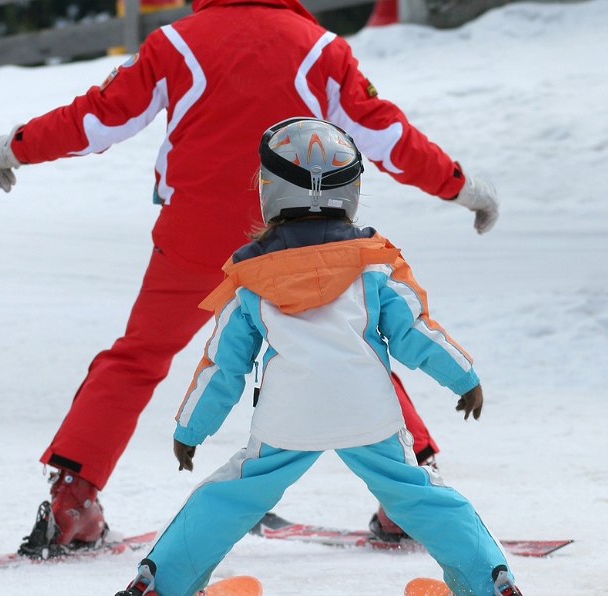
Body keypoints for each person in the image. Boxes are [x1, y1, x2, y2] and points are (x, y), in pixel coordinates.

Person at [0, 0, 500, 555]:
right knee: (352, 343)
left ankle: (73, 501)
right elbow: (385, 136)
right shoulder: (322, 49)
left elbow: (100, 117)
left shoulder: (174, 42)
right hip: (298, 238)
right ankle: (410, 499)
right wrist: (459, 184)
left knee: (137, 356)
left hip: (194, 235)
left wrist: (17, 145)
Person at [113, 118, 521, 596]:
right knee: (419, 496)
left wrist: (191, 428)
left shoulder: (251, 276)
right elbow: (415, 332)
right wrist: (463, 376)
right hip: (368, 412)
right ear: (351, 190)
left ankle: (160, 584)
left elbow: (224, 365)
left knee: (227, 498)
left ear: (269, 190)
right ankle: (489, 584)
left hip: (288, 416)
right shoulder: (374, 263)